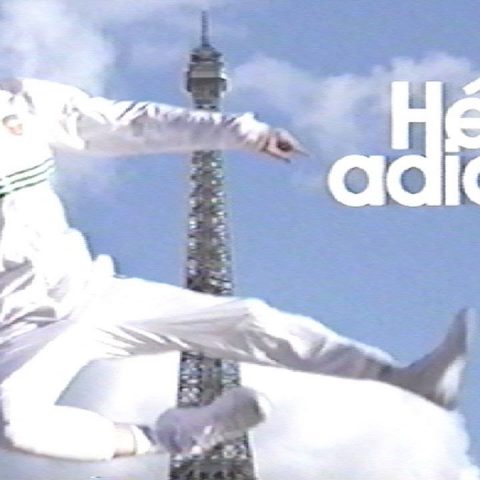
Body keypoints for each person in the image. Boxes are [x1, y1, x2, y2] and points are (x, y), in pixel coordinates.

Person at [0, 77, 473, 461]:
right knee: (14, 427)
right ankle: (171, 436)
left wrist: (238, 132)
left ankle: (407, 379)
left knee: (250, 321)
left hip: (91, 290)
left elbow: (128, 123)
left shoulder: (20, 102)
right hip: (21, 331)